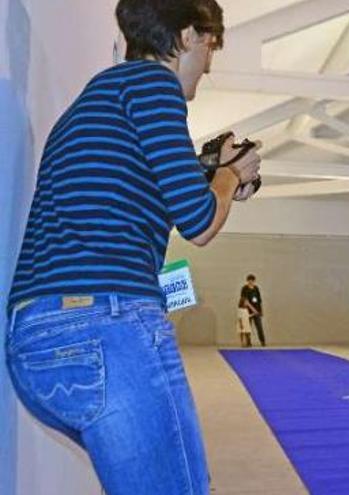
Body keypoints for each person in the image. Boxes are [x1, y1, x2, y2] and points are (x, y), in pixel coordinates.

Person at [4, 2, 261, 493]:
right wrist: (230, 176)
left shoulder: (101, 95)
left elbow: (140, 188)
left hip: (37, 342)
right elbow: (200, 222)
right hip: (107, 329)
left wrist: (211, 173)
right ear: (188, 35)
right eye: (209, 46)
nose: (208, 64)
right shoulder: (153, 86)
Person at [240, 274, 266, 346]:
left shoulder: (256, 288)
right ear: (247, 281)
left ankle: (262, 341)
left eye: (252, 281)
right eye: (249, 280)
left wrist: (261, 310)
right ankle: (248, 342)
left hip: (257, 311)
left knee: (259, 327)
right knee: (248, 328)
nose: (251, 282)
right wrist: (253, 309)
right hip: (248, 311)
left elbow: (259, 300)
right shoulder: (244, 288)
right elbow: (245, 301)